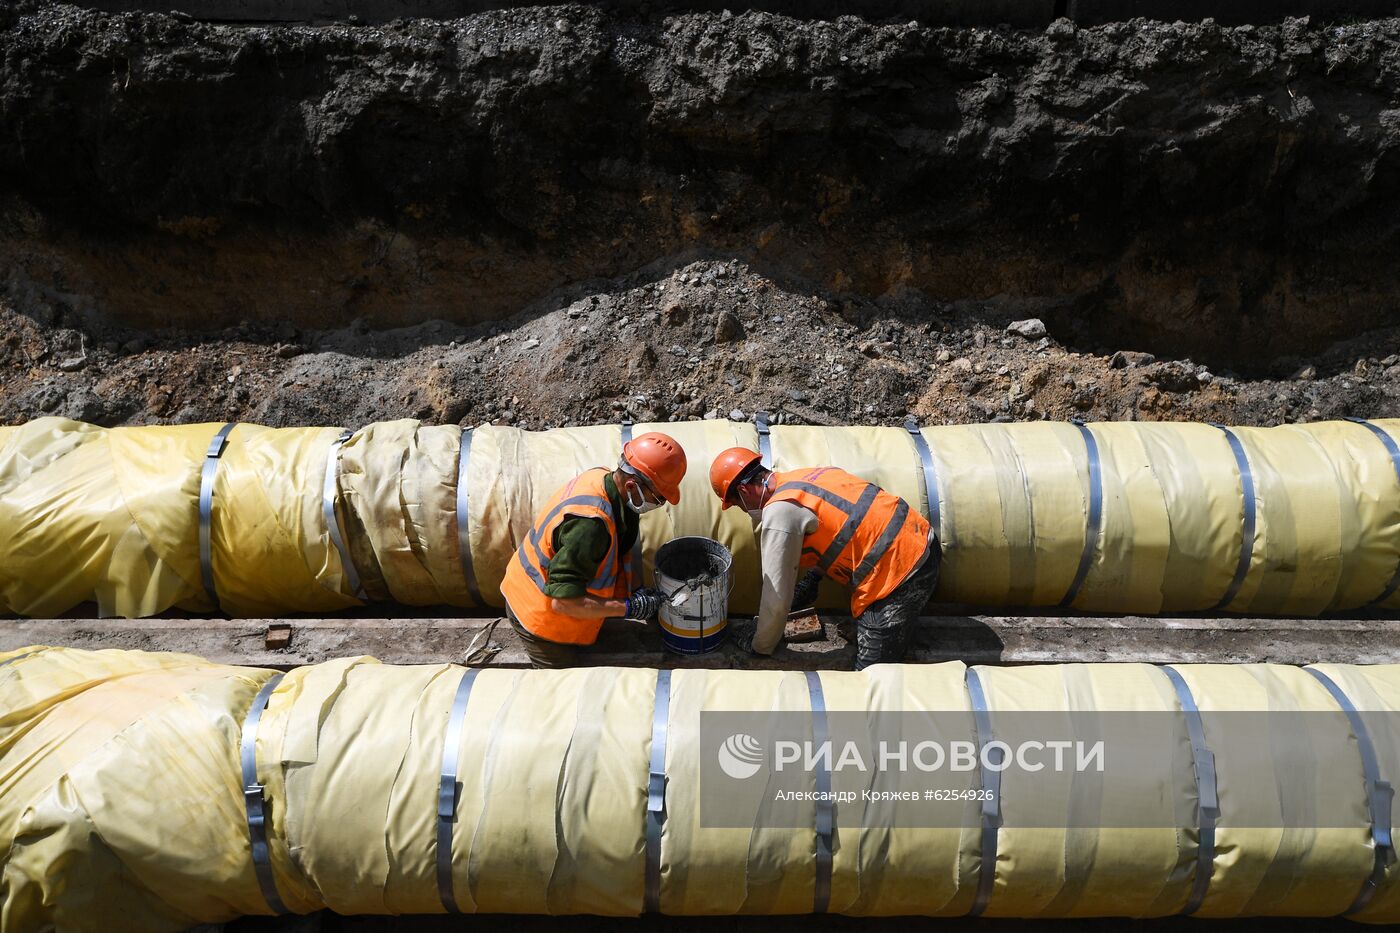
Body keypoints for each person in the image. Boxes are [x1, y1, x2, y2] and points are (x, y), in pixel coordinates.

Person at [709, 448, 939, 669]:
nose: (746, 512)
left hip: (901, 576)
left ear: (744, 491)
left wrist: (760, 644)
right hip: (923, 540)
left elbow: (776, 599)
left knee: (870, 677)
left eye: (739, 506)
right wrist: (813, 578)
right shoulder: (807, 475)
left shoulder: (779, 511)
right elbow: (848, 522)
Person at [500, 432, 686, 668]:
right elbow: (562, 603)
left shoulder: (609, 485)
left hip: (558, 589)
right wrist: (629, 608)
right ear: (632, 485)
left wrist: (637, 590)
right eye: (659, 498)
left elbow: (619, 550)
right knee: (568, 689)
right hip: (538, 613)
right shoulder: (590, 526)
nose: (660, 505)